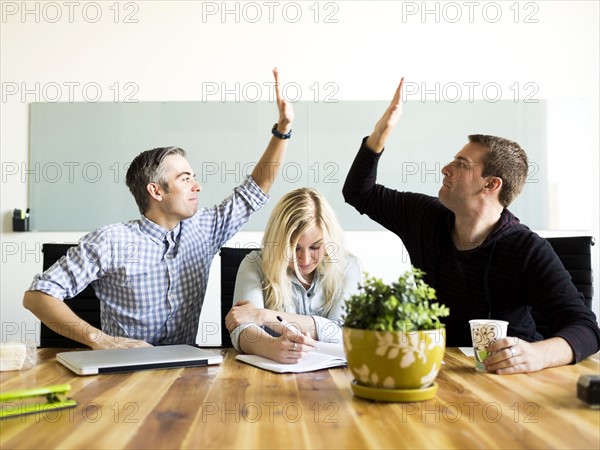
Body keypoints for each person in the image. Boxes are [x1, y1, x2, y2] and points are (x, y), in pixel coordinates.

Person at [342, 78, 600, 375]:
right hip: (440, 371)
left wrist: (537, 355)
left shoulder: (526, 249)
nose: (445, 168)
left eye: (461, 164)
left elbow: (586, 329)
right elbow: (358, 192)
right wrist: (381, 132)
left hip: (507, 379)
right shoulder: (426, 217)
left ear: (491, 184)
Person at [23, 69, 294, 350]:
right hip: (124, 372)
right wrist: (101, 340)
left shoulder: (205, 229)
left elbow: (256, 188)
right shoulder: (110, 241)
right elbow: (37, 296)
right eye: (185, 179)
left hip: (184, 374)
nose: (197, 186)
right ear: (156, 191)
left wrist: (282, 129)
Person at [225, 188, 362, 363]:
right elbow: (242, 328)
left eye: (315, 247)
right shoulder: (254, 264)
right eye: (294, 248)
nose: (304, 259)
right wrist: (272, 347)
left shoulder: (348, 267)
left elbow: (344, 334)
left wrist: (265, 315)